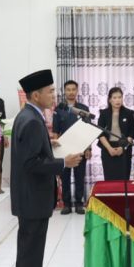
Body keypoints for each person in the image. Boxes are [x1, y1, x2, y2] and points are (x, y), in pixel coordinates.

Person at [10, 69, 83, 267]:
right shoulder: (31, 120)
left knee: (34, 251)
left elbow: (31, 152)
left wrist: (48, 145)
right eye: (50, 91)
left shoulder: (30, 115)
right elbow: (30, 164)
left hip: (33, 198)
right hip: (31, 198)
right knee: (29, 252)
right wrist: (64, 163)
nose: (54, 95)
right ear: (35, 95)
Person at [52, 80, 91, 214]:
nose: (71, 92)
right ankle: (67, 204)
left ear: (77, 91)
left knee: (80, 177)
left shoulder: (84, 109)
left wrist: (88, 148)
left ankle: (79, 203)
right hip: (64, 149)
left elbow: (88, 130)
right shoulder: (59, 109)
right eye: (68, 89)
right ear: (64, 91)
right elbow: (56, 131)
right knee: (65, 177)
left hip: (81, 147)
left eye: (73, 89)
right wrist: (56, 151)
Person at [97, 86, 134, 181]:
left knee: (124, 180)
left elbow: (132, 133)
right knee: (110, 181)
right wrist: (109, 148)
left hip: (124, 149)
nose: (118, 100)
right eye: (114, 98)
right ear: (110, 100)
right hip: (108, 150)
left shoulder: (129, 113)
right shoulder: (104, 113)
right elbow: (100, 133)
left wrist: (122, 148)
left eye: (120, 97)